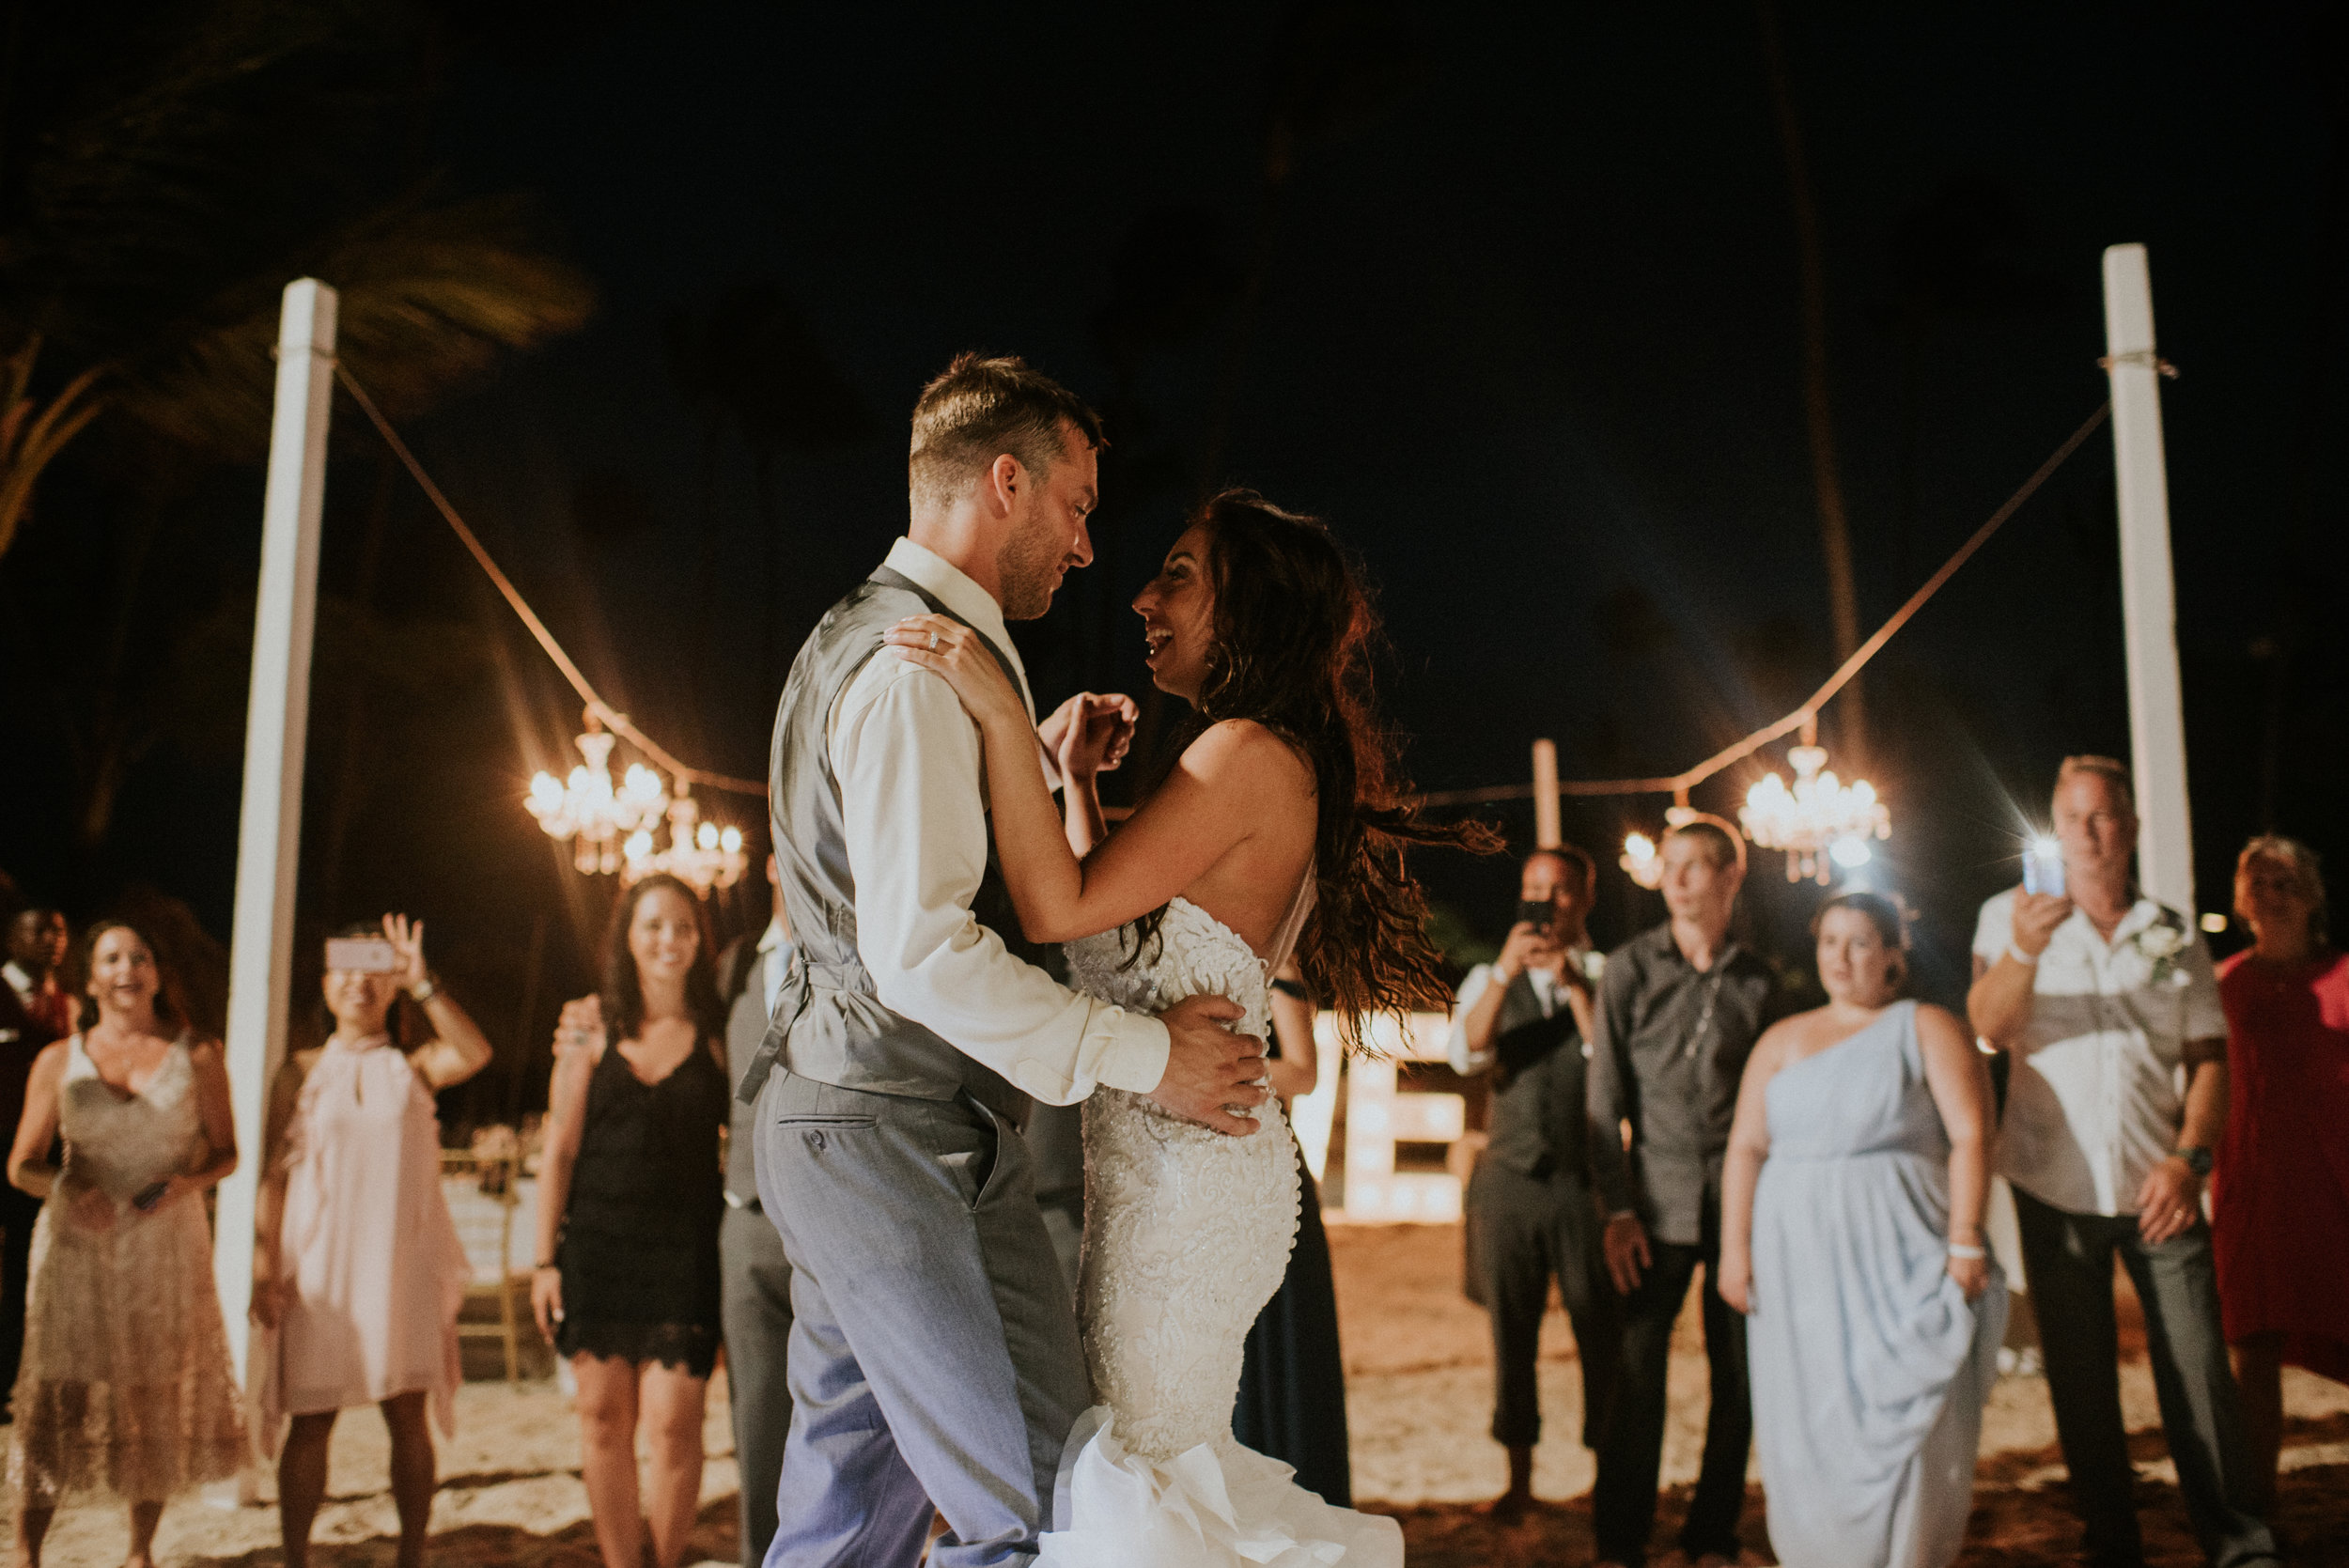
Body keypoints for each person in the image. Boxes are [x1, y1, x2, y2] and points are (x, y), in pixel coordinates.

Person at [736, 352, 1268, 1568]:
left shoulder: (875, 643)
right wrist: (1149, 1059)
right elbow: (921, 950)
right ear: (1009, 483)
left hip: (853, 1126)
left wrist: (1039, 763)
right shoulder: (913, 673)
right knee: (1045, 1517)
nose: (1087, 550)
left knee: (841, 1528)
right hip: (891, 1138)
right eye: (1081, 509)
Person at [891, 485, 1481, 1564]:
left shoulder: (1245, 753)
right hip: (1164, 1170)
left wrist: (998, 716)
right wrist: (1066, 775)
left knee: (1143, 1474)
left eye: (1179, 575)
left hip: (1188, 1191)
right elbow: (1101, 930)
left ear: (1245, 610)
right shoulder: (1248, 753)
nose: (1142, 597)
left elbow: (1050, 908)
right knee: (1136, 1472)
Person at [1968, 755, 2277, 1568]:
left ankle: (2241, 1545)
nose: (2089, 832)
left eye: (2105, 816)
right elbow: (1988, 1027)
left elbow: (2211, 1058)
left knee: (2199, 1372)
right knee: (2081, 1378)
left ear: (2131, 827)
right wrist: (2026, 952)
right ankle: (2113, 1543)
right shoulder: (2008, 915)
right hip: (2052, 1181)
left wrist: (2189, 1158)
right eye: (2073, 818)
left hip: (2159, 1183)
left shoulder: (2172, 931)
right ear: (2056, 831)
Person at [1719, 893, 2004, 1568]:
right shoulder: (1782, 1039)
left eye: (1859, 942)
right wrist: (1735, 1248)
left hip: (1901, 1241)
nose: (1841, 957)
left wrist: (1966, 1234)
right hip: (1798, 1258)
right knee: (1812, 1407)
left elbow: (1971, 1133)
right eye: (1829, 942)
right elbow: (1745, 1147)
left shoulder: (1926, 1024)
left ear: (1893, 956)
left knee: (1898, 1398)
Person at [250, 914, 494, 1568]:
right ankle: (296, 1556)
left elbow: (473, 1052)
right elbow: (271, 1176)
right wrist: (262, 1269)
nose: (360, 981)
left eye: (373, 968)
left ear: (389, 986)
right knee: (311, 1418)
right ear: (326, 984)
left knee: (406, 1415)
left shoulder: (413, 1066)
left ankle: (411, 1555)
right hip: (321, 1269)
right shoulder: (297, 1071)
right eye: (346, 967)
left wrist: (423, 981)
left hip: (398, 1263)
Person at [6, 918, 244, 1568]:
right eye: (111, 956)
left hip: (164, 1244)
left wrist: (183, 1180)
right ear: (91, 977)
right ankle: (27, 1551)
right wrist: (64, 1185)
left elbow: (228, 1152)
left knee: (152, 1399)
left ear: (157, 973)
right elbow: (20, 1163)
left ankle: (139, 1550)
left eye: (140, 955)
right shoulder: (58, 1058)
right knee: (60, 1398)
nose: (127, 967)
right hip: (77, 1248)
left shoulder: (199, 1055)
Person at [1583, 817, 1788, 1568]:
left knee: (1737, 1379)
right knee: (1637, 1379)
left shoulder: (1760, 980)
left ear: (1731, 877)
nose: (1674, 879)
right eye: (1668, 865)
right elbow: (1605, 1098)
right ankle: (1620, 1537)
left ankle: (1711, 1534)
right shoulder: (1630, 969)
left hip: (1740, 1212)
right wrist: (1619, 1209)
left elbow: (1776, 1106)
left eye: (1694, 866)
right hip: (1654, 1207)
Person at [533, 874, 731, 1568]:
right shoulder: (589, 1026)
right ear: (627, 936)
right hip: (596, 1247)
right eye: (652, 925)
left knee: (676, 1426)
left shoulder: (721, 1034)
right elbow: (558, 1150)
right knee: (602, 1420)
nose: (668, 939)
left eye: (682, 925)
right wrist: (543, 1262)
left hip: (686, 1251)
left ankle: (667, 1558)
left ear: (699, 939)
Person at [1445, 844, 1619, 1522]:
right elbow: (1467, 1052)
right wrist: (1506, 971)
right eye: (1534, 886)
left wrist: (1575, 984)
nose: (1547, 899)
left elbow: (1613, 1062)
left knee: (1597, 1331)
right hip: (1509, 1181)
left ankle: (1609, 1474)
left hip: (1584, 1181)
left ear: (1585, 898)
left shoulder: (1607, 975)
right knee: (1510, 1335)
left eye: (1561, 888)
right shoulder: (1492, 973)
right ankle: (1519, 1480)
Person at [2211, 834, 2348, 1511]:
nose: (2271, 893)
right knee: (2252, 1353)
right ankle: (2255, 1512)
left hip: (2333, 1184)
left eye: (2285, 879)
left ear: (2313, 893)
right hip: (2252, 1188)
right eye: (2257, 882)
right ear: (2241, 900)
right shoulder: (2224, 983)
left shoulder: (2345, 974)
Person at [1231, 955, 1352, 1507]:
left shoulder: (1281, 955)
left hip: (1265, 1166)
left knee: (1276, 1346)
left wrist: (1211, 1070)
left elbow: (1302, 1070)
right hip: (1188, 1166)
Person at [716, 857, 796, 1566]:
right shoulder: (735, 966)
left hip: (831, 1223)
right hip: (745, 1221)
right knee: (758, 1417)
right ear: (773, 864)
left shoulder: (863, 950)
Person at [0, 907, 69, 1421]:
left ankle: (10, 1379)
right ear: (11, 936)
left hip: (38, 1157)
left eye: (59, 930)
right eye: (38, 930)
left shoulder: (69, 1004)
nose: (50, 940)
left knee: (28, 1266)